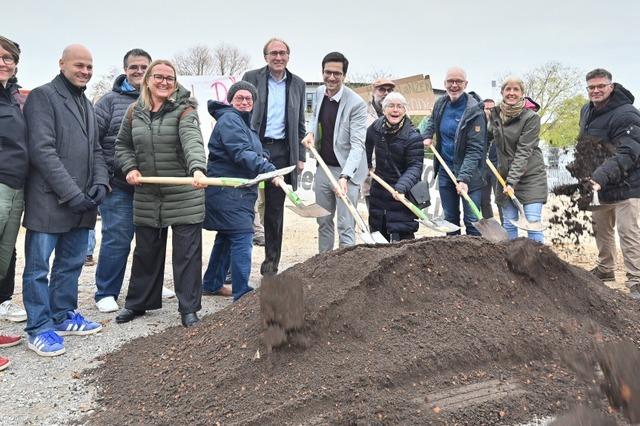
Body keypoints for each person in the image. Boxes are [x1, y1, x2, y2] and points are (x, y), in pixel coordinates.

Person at [22, 44, 108, 357]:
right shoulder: (43, 97)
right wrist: (72, 193)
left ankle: (62, 315)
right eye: (79, 66)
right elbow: (42, 151)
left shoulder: (86, 102)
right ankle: (39, 327)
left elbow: (97, 149)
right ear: (62, 64)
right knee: (37, 268)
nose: (85, 71)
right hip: (51, 200)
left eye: (89, 66)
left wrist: (100, 182)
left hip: (82, 203)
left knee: (70, 264)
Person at [115, 60, 206, 327]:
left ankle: (188, 309)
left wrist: (198, 170)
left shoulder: (185, 111)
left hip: (183, 193)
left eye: (170, 78)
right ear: (147, 80)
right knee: (146, 251)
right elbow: (123, 145)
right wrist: (130, 167)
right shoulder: (134, 111)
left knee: (186, 254)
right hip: (148, 193)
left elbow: (193, 142)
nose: (164, 82)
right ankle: (138, 303)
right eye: (159, 77)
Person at [92, 49, 175, 313]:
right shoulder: (108, 102)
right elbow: (94, 140)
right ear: (125, 70)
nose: (139, 72)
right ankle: (106, 291)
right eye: (133, 68)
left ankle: (149, 286)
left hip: (153, 186)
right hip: (118, 185)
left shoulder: (164, 101)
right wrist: (103, 176)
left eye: (143, 68)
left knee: (151, 239)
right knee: (118, 237)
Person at [202, 81, 280, 300]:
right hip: (228, 190)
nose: (245, 102)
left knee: (226, 237)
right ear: (231, 100)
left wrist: (264, 157)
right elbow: (240, 152)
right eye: (240, 98)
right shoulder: (229, 120)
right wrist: (269, 169)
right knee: (242, 236)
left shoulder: (244, 123)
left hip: (238, 191)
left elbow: (254, 149)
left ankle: (212, 283)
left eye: (249, 99)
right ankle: (242, 293)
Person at [242, 37, 306, 276]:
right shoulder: (251, 78)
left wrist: (300, 157)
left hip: (281, 152)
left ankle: (271, 265)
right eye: (273, 53)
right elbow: (240, 110)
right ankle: (234, 266)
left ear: (288, 56)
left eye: (282, 53)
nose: (278, 57)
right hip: (253, 148)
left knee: (274, 211)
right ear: (265, 57)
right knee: (242, 205)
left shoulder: (297, 84)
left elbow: (300, 123)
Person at [578, 68, 640, 298]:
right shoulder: (587, 111)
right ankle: (605, 270)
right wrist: (585, 173)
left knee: (628, 232)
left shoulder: (627, 114)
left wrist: (601, 176)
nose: (596, 91)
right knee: (601, 229)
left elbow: (627, 152)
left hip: (628, 184)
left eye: (600, 86)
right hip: (599, 183)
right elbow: (586, 145)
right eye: (591, 87)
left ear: (611, 87)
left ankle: (636, 279)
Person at [301, 52, 368, 253]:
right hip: (324, 167)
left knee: (346, 224)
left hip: (349, 172)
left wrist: (345, 177)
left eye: (336, 73)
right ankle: (324, 266)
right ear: (322, 73)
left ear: (344, 76)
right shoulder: (320, 92)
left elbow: (357, 146)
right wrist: (311, 132)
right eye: (327, 72)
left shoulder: (356, 104)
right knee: (323, 220)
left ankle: (346, 273)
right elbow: (314, 117)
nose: (331, 77)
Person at [421, 67, 486, 236]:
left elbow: (475, 149)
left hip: (470, 174)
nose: (454, 85)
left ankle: (474, 259)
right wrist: (427, 134)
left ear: (466, 84)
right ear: (444, 84)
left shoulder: (475, 111)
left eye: (459, 81)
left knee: (472, 221)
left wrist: (464, 178)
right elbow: (432, 121)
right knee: (450, 221)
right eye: (450, 81)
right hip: (445, 171)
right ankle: (453, 260)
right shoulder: (441, 103)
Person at [488, 77, 547, 242]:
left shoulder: (531, 118)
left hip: (530, 177)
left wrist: (512, 181)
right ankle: (510, 264)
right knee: (508, 224)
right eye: (508, 89)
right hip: (504, 177)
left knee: (532, 224)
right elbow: (485, 137)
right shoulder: (496, 115)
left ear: (522, 94)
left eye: (516, 90)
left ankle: (538, 265)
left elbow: (524, 151)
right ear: (502, 92)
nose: (511, 93)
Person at [365, 92, 423, 242]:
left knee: (403, 239)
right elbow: (366, 143)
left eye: (399, 106)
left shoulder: (413, 136)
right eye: (391, 106)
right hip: (379, 190)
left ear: (404, 111)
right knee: (378, 235)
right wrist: (368, 165)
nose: (395, 110)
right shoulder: (376, 127)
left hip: (402, 193)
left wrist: (401, 187)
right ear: (384, 110)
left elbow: (415, 167)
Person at [0, 36, 27, 324]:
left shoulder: (14, 96)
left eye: (7, 57)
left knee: (5, 252)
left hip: (16, 183)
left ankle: (2, 302)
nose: (2, 63)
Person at [363, 78, 396, 209]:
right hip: (370, 176)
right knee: (375, 219)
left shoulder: (400, 114)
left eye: (389, 90)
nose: (386, 93)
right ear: (373, 91)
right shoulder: (362, 113)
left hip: (394, 178)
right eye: (382, 89)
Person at [480, 98, 498, 220]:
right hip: (483, 167)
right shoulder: (477, 125)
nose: (489, 111)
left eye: (492, 109)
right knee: (483, 199)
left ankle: (506, 227)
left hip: (497, 166)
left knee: (501, 199)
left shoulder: (499, 125)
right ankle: (490, 223)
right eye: (487, 108)